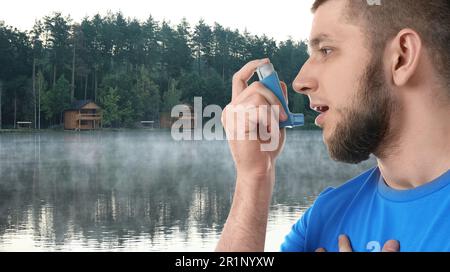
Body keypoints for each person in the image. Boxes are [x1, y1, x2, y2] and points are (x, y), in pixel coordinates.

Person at [216, 0, 450, 252]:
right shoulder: (325, 217)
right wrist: (254, 178)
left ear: (401, 57)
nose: (300, 82)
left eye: (326, 50)